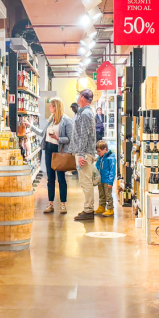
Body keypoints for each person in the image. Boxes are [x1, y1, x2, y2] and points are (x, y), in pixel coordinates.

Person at [31, 98, 73, 214]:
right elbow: (42, 133)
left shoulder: (66, 121)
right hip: (49, 150)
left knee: (61, 178)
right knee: (50, 178)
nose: (49, 108)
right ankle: (50, 204)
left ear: (56, 107)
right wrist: (30, 126)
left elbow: (70, 139)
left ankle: (63, 204)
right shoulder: (51, 120)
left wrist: (57, 138)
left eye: (51, 106)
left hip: (59, 151)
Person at [67, 89, 98, 221]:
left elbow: (84, 135)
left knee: (86, 182)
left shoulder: (85, 114)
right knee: (84, 181)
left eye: (79, 96)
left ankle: (89, 210)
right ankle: (87, 208)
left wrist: (80, 155)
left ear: (82, 97)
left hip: (84, 153)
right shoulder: (85, 113)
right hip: (83, 152)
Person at [95, 140, 115, 216]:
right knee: (101, 194)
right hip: (100, 180)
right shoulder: (100, 158)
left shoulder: (111, 158)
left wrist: (110, 182)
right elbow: (97, 166)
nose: (98, 153)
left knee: (108, 195)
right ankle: (101, 207)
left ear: (105, 149)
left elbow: (112, 171)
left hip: (107, 180)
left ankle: (110, 209)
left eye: (99, 151)